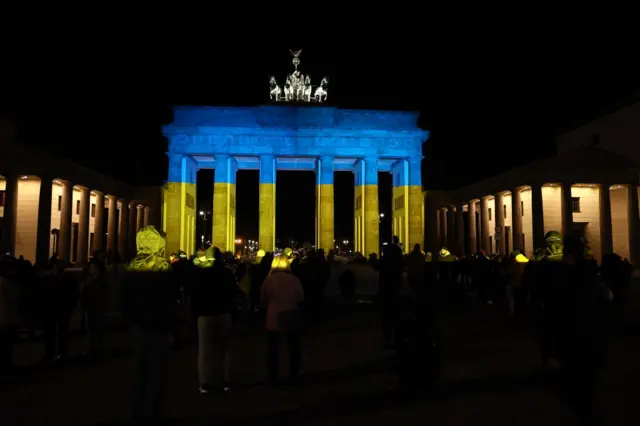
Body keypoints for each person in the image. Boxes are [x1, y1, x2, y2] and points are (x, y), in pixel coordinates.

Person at [122, 226, 176, 426]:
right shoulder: (163, 267)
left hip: (137, 327)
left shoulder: (131, 266)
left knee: (138, 373)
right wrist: (172, 329)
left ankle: (136, 413)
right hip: (158, 328)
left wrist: (129, 319)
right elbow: (169, 301)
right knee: (156, 375)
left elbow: (124, 299)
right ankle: (152, 415)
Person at [191, 247, 238, 393]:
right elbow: (233, 291)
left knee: (204, 350)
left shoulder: (199, 273)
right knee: (226, 349)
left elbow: (194, 294)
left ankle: (205, 382)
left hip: (204, 315)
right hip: (223, 313)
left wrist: (195, 312)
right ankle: (227, 381)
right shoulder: (226, 273)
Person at [261, 255, 305, 385]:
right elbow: (301, 298)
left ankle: (273, 378)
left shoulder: (268, 280)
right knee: (294, 349)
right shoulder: (294, 279)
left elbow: (263, 299)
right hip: (291, 317)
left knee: (273, 351)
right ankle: (293, 376)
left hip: (273, 319)